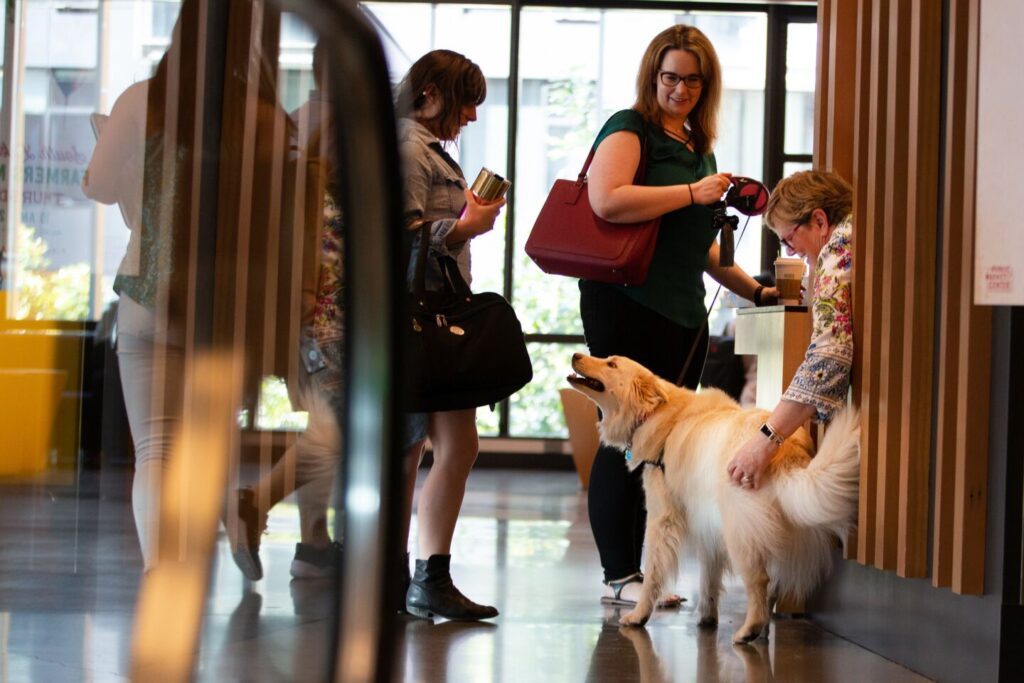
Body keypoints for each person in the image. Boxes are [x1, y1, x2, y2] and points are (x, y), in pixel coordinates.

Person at [581, 24, 779, 607]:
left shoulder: (697, 146)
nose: (681, 89)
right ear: (653, 76)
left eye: (693, 80)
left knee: (664, 447)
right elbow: (607, 199)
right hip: (626, 303)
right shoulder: (630, 127)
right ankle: (620, 574)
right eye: (671, 77)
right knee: (623, 438)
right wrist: (694, 193)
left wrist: (753, 289)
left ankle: (651, 571)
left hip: (680, 310)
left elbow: (698, 248)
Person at [81, 1, 201, 572]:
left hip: (147, 287)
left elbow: (99, 186)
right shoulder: (253, 113)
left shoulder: (138, 99)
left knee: (154, 448)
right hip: (217, 299)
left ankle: (163, 573)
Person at [227, 43, 346, 582]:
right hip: (330, 301)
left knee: (325, 421)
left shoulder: (293, 123)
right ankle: (254, 502)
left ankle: (313, 543)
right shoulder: (353, 132)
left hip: (297, 302)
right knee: (334, 427)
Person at [395, 50, 504, 620]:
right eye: (466, 102)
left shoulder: (422, 149)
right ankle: (423, 576)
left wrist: (466, 222)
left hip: (432, 314)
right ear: (431, 92)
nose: (471, 116)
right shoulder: (411, 150)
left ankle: (412, 575)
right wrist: (464, 226)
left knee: (432, 445)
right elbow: (402, 235)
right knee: (431, 445)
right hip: (422, 317)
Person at [726, 169, 854, 490]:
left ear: (820, 221)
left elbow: (827, 359)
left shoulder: (836, 252)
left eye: (789, 239)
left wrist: (765, 440)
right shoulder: (859, 234)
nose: (792, 252)